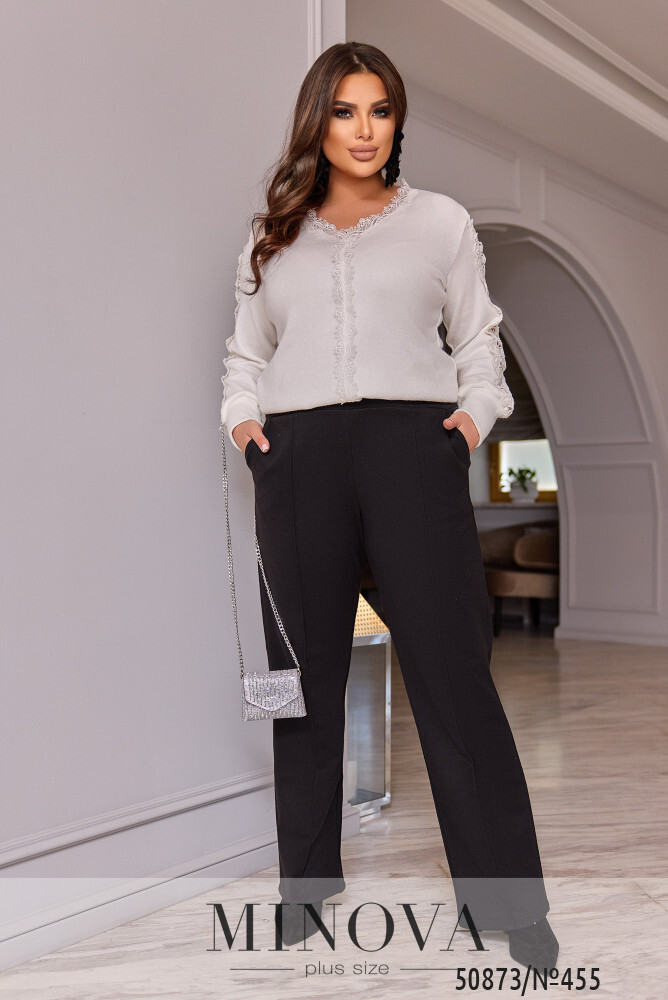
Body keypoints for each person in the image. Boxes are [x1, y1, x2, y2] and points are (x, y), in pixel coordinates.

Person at [220, 41, 559, 969]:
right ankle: (306, 889)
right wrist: (249, 432)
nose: (364, 130)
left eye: (379, 110)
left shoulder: (440, 223)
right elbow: (245, 357)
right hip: (298, 463)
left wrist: (462, 430)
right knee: (305, 687)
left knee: (454, 680)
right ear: (317, 122)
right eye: (344, 111)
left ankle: (510, 904)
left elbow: (480, 348)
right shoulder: (272, 236)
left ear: (397, 121)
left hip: (413, 454)